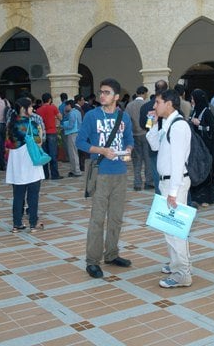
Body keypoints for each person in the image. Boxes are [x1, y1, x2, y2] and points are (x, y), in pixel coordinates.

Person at [76, 78, 134, 279]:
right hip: (100, 172)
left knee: (116, 217)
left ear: (116, 97)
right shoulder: (92, 116)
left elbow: (129, 140)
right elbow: (80, 141)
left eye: (107, 92)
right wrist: (101, 150)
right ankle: (92, 261)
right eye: (101, 92)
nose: (102, 95)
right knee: (98, 219)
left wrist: (127, 150)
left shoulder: (124, 117)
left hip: (120, 172)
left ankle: (111, 254)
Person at [145, 89, 192, 288]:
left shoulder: (179, 126)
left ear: (169, 104)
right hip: (168, 182)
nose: (154, 106)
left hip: (175, 182)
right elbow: (154, 144)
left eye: (157, 102)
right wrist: (153, 123)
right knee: (170, 228)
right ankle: (178, 264)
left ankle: (182, 273)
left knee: (174, 230)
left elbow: (178, 161)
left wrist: (173, 192)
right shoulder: (168, 124)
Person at [6, 97, 46, 232]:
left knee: (18, 196)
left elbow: (8, 144)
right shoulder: (31, 124)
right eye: (30, 107)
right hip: (30, 162)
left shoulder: (11, 124)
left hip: (16, 163)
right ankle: (33, 223)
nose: (32, 109)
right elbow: (39, 141)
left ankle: (16, 224)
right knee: (33, 195)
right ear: (23, 109)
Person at [188, 89, 214, 207]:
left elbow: (212, 128)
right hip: (196, 147)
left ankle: (206, 198)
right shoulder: (194, 111)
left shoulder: (207, 112)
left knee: (206, 170)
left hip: (206, 147)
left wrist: (199, 125)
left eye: (193, 98)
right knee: (196, 170)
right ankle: (195, 197)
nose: (192, 100)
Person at [139, 79, 168, 194]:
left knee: (156, 173)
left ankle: (159, 197)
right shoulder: (170, 105)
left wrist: (150, 126)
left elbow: (142, 124)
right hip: (167, 143)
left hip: (153, 142)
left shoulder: (146, 106)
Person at [124, 86, 151, 191]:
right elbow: (150, 120)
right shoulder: (147, 104)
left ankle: (137, 183)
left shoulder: (129, 105)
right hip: (145, 133)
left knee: (137, 160)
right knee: (147, 159)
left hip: (133, 135)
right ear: (144, 93)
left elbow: (126, 120)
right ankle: (149, 182)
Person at [36, 93, 63, 180]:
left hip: (42, 134)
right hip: (52, 132)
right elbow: (60, 117)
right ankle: (54, 174)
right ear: (50, 99)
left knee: (44, 154)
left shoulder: (38, 110)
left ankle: (45, 175)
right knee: (53, 154)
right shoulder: (53, 107)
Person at [61, 99, 82, 178]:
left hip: (72, 134)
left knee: (73, 153)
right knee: (75, 152)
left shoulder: (72, 113)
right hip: (77, 133)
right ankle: (74, 170)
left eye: (66, 105)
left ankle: (76, 171)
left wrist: (62, 126)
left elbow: (71, 126)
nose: (65, 107)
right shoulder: (78, 112)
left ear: (69, 105)